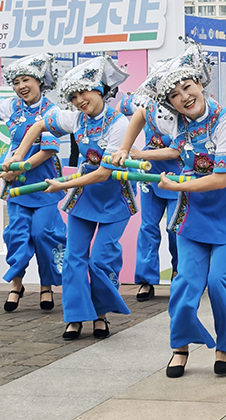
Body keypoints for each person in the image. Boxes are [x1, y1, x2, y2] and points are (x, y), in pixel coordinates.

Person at [112, 41, 226, 378]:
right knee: (185, 282)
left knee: (220, 280)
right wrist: (128, 150)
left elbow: (220, 180)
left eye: (187, 87)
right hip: (193, 213)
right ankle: (180, 346)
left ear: (200, 83)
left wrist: (176, 186)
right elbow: (145, 117)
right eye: (174, 94)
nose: (184, 96)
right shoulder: (174, 121)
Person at [12, 57, 133, 341]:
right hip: (83, 197)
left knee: (101, 259)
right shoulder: (75, 118)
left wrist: (63, 184)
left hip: (114, 198)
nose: (79, 101)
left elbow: (103, 173)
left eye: (84, 93)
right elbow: (38, 126)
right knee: (73, 258)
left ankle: (101, 313)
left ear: (100, 90)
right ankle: (75, 317)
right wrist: (18, 154)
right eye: (74, 96)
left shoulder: (119, 123)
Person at [0, 53, 66, 312]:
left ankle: (46, 286)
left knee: (43, 234)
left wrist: (17, 169)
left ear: (40, 81)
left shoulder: (52, 111)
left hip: (44, 182)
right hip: (16, 183)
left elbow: (47, 151)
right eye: (16, 82)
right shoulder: (11, 106)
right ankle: (16, 285)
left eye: (26, 80)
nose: (21, 86)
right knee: (17, 234)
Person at [117, 90, 180, 302]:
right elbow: (118, 110)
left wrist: (139, 154)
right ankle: (146, 280)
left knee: (175, 228)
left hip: (176, 177)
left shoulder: (182, 109)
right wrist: (123, 144)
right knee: (148, 227)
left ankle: (179, 273)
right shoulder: (146, 106)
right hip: (149, 175)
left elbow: (175, 151)